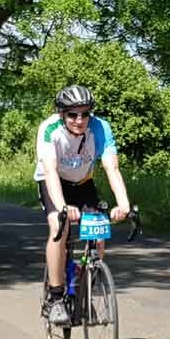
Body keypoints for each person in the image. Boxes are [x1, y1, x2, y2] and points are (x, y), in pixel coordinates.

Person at [34, 85, 131, 325]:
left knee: (98, 233)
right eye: (72, 114)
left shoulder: (100, 128)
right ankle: (56, 298)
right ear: (61, 114)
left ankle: (84, 289)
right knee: (59, 226)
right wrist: (63, 208)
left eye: (85, 114)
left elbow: (112, 167)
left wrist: (123, 204)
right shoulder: (50, 129)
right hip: (54, 182)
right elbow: (50, 170)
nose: (79, 120)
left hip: (83, 182)